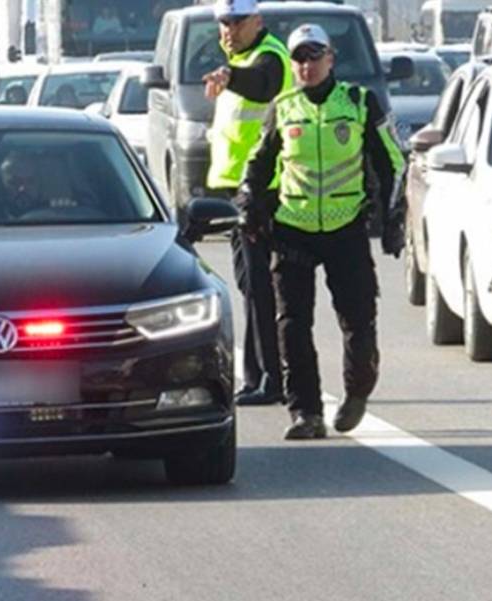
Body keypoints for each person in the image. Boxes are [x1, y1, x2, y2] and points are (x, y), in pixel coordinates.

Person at [238, 24, 406, 439]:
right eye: (299, 58)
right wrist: (249, 206)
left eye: (315, 56)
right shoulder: (283, 107)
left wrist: (391, 221)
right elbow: (256, 167)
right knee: (291, 323)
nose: (306, 65)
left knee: (358, 319)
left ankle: (357, 391)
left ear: (331, 58)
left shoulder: (359, 102)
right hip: (293, 229)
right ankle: (306, 412)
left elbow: (393, 164)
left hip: (346, 226)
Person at [203, 0, 292, 407]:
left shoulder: (268, 56)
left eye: (238, 22)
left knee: (261, 287)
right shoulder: (241, 61)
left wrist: (230, 75)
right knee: (249, 286)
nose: (229, 30)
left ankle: (271, 378)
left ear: (258, 22)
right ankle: (258, 375)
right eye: (224, 23)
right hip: (236, 193)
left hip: (263, 193)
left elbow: (263, 84)